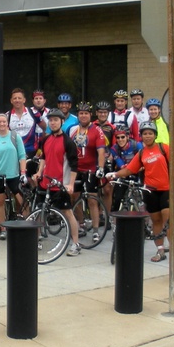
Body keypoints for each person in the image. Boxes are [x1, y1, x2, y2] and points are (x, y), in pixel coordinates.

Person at [106, 121, 174, 262]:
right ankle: (160, 251)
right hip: (150, 191)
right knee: (156, 220)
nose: (147, 136)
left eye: (150, 133)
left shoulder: (164, 148)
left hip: (167, 189)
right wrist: (115, 174)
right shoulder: (141, 153)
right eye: (145, 134)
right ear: (141, 136)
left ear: (155, 135)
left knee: (168, 219)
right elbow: (129, 169)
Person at [34, 109, 81, 256]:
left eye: (56, 120)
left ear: (62, 122)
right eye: (51, 120)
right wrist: (39, 172)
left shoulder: (68, 142)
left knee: (68, 213)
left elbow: (74, 165)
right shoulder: (46, 139)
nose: (53, 122)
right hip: (46, 183)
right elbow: (43, 157)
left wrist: (71, 184)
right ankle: (37, 240)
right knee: (38, 212)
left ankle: (75, 244)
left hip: (61, 184)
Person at [0, 113, 27, 240]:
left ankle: (29, 224)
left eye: (4, 122)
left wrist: (23, 172)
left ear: (7, 123)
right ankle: (3, 228)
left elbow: (22, 155)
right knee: (0, 201)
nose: (2, 124)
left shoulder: (15, 137)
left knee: (21, 200)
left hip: (13, 174)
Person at [69, 101, 106, 244]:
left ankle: (96, 231)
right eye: (81, 113)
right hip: (76, 169)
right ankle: (82, 224)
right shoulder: (72, 130)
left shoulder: (97, 130)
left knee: (92, 199)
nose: (83, 116)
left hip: (91, 169)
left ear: (90, 115)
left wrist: (101, 168)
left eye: (86, 113)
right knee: (74, 197)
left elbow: (101, 151)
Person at [107, 124, 141, 212]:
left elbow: (143, 161)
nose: (120, 140)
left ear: (127, 137)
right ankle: (113, 218)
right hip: (123, 172)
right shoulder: (114, 149)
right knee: (117, 198)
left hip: (138, 172)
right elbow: (121, 164)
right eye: (118, 138)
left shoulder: (137, 145)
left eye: (122, 137)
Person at [7, 88, 39, 158]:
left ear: (24, 100)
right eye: (15, 98)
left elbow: (44, 129)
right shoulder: (7, 116)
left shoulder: (34, 113)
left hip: (32, 153)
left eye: (19, 98)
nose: (17, 100)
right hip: (14, 153)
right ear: (11, 101)